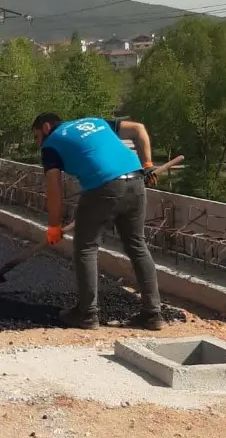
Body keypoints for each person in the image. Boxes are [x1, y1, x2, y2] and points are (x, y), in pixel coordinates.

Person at [32, 113, 163, 331]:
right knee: (137, 246)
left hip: (104, 186)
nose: (38, 143)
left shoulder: (51, 144)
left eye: (36, 137)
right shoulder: (96, 122)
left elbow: (54, 188)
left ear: (46, 127)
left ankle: (87, 314)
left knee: (86, 248)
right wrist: (147, 163)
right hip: (136, 181)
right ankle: (153, 314)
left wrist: (54, 225)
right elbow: (139, 128)